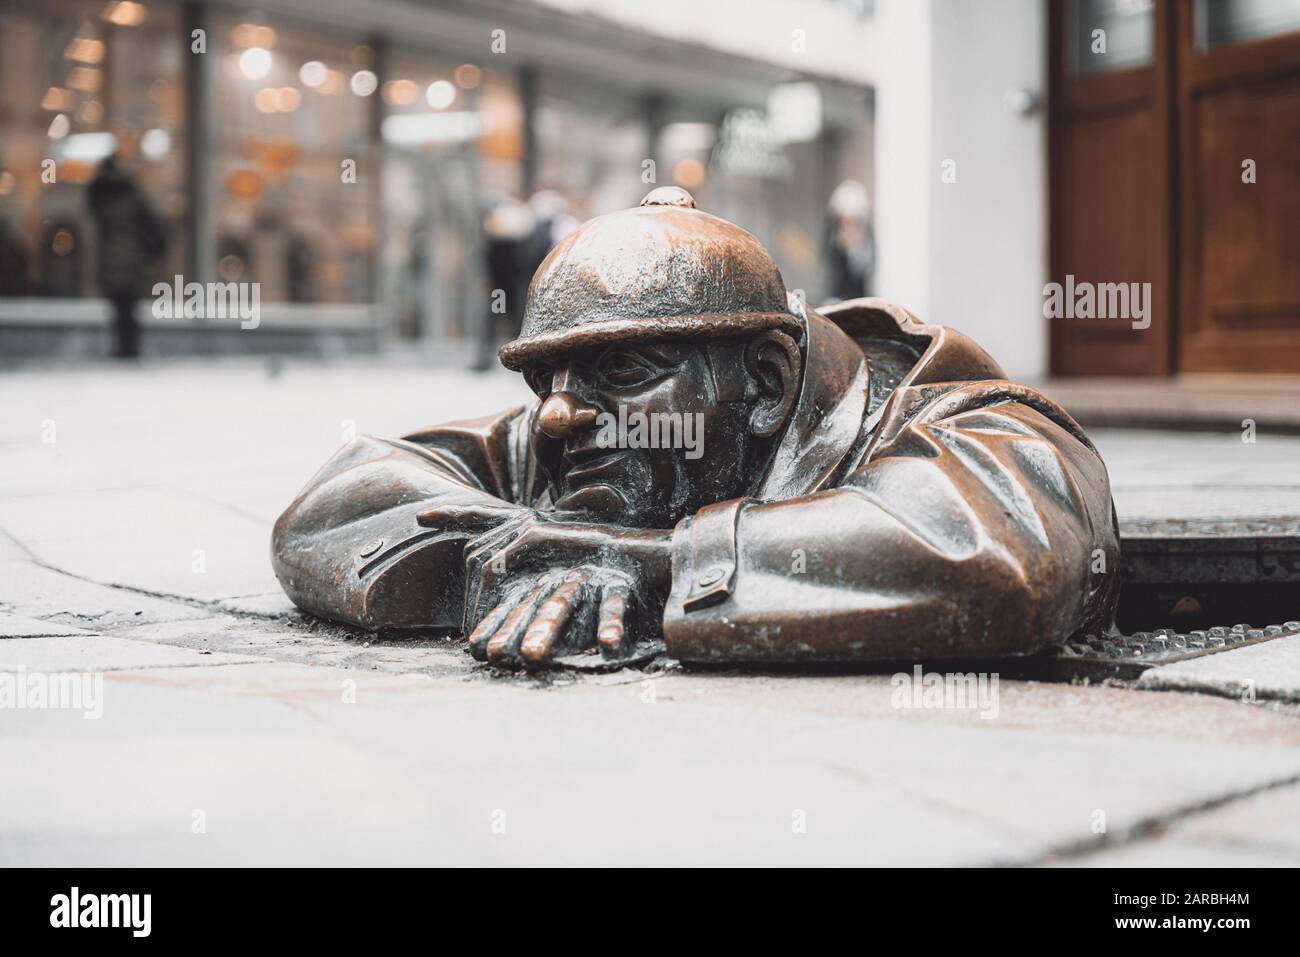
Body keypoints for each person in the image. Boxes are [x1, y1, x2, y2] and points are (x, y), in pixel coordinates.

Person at [273, 187, 1119, 670]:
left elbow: (1007, 563)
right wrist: (511, 552)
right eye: (545, 379)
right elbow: (332, 505)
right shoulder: (582, 430)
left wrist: (650, 571)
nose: (561, 412)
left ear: (765, 381)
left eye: (627, 373)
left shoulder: (958, 416)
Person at [87, 155, 166, 359]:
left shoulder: (103, 195)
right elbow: (155, 227)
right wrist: (151, 254)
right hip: (130, 259)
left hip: (118, 258)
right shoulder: (131, 194)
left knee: (122, 307)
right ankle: (128, 348)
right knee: (127, 307)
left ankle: (125, 348)